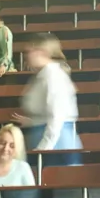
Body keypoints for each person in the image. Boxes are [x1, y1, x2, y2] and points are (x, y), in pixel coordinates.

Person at [14, 34, 82, 166]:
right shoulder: (41, 76)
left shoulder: (53, 76)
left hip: (57, 144)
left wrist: (44, 149)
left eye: (30, 51)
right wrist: (33, 122)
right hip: (46, 139)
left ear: (41, 52)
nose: (27, 56)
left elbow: (57, 117)